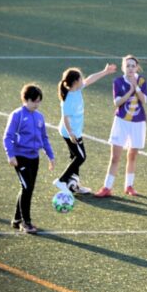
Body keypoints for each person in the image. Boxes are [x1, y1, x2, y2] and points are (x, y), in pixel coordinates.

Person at [54, 63, 116, 195]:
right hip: (69, 132)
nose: (83, 80)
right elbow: (65, 118)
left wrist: (105, 72)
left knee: (75, 157)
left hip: (74, 131)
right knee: (81, 157)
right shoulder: (68, 99)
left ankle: (74, 185)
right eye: (80, 78)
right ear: (75, 82)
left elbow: (90, 79)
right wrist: (71, 133)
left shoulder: (77, 89)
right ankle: (61, 180)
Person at [3, 84, 55, 234]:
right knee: (27, 188)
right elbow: (8, 137)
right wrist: (10, 155)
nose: (37, 104)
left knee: (28, 188)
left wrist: (50, 156)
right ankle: (26, 223)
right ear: (26, 99)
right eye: (34, 101)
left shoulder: (39, 117)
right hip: (20, 157)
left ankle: (17, 219)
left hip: (34, 158)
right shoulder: (17, 115)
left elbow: (44, 138)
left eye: (39, 101)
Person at [95, 55, 147, 197]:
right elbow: (117, 103)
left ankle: (129, 186)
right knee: (115, 157)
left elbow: (144, 100)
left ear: (137, 67)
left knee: (132, 156)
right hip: (121, 121)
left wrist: (136, 87)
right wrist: (130, 91)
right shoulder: (118, 81)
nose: (130, 68)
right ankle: (107, 187)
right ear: (123, 67)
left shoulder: (142, 81)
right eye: (127, 66)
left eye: (133, 66)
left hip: (138, 123)